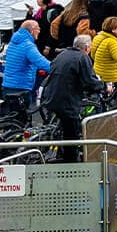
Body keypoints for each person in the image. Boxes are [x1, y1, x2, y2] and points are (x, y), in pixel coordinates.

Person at [40, 35, 99, 163]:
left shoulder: (62, 54)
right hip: (66, 100)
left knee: (61, 126)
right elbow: (89, 81)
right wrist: (103, 87)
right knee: (71, 133)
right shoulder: (82, 58)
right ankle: (71, 162)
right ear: (87, 48)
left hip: (51, 95)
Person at [1, 20, 48, 116]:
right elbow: (42, 62)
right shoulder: (28, 46)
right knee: (23, 120)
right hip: (21, 88)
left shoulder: (13, 42)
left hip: (7, 86)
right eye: (38, 28)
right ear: (32, 31)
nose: (39, 31)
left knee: (13, 118)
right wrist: (59, 67)